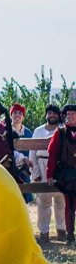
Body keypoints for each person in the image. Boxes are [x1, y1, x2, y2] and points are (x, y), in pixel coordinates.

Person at [30, 104, 65, 242]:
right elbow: (32, 152)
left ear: (59, 115)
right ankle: (44, 232)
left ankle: (61, 230)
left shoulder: (63, 130)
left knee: (61, 200)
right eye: (49, 113)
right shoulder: (38, 131)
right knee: (43, 201)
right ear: (46, 115)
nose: (52, 115)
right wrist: (35, 173)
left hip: (60, 167)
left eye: (55, 113)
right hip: (41, 163)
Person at [47, 104, 76, 245]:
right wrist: (50, 175)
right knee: (69, 205)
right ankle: (70, 236)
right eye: (68, 114)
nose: (70, 116)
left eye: (73, 114)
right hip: (67, 174)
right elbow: (52, 155)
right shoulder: (60, 133)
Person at [10, 103, 34, 203]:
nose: (17, 115)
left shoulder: (28, 132)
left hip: (25, 169)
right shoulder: (5, 130)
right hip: (10, 167)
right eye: (15, 112)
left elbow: (32, 150)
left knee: (25, 198)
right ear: (11, 115)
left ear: (23, 116)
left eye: (20, 113)